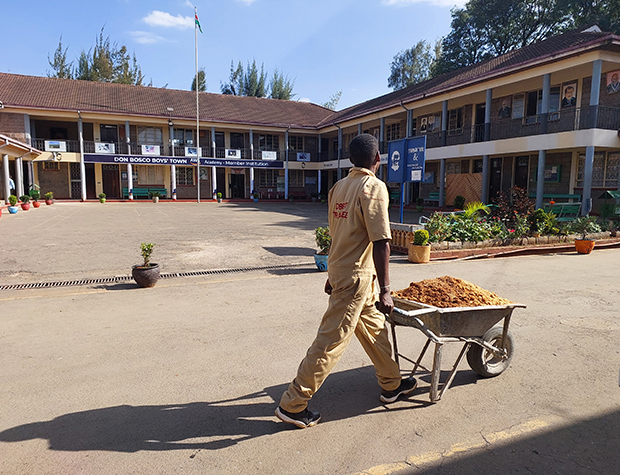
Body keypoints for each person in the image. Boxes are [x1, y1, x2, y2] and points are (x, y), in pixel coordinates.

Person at [275, 134, 416, 429]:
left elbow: (338, 233)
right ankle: (294, 404)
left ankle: (392, 384)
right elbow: (381, 241)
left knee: (375, 331)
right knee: (330, 342)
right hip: (356, 278)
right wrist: (388, 290)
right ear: (378, 158)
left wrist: (332, 274)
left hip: (349, 274)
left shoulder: (339, 187)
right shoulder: (373, 187)